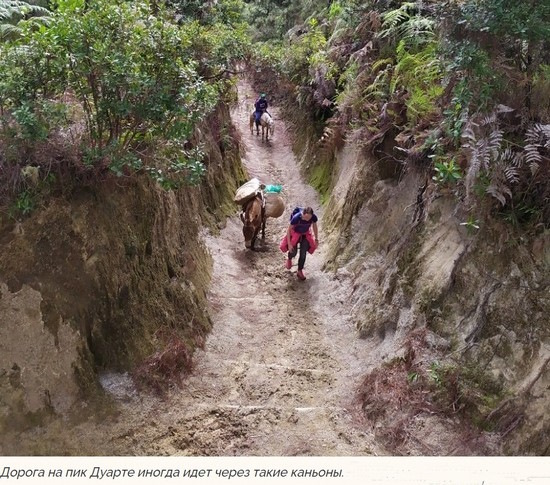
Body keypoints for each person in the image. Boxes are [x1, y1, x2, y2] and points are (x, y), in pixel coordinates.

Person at [283, 207, 319, 281]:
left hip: (305, 234)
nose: (307, 220)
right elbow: (289, 230)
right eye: (306, 218)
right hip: (295, 234)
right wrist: (289, 244)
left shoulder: (313, 218)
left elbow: (314, 226)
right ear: (303, 214)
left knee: (303, 253)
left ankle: (300, 270)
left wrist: (316, 238)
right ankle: (289, 259)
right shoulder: (296, 218)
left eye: (309, 218)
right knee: (293, 251)